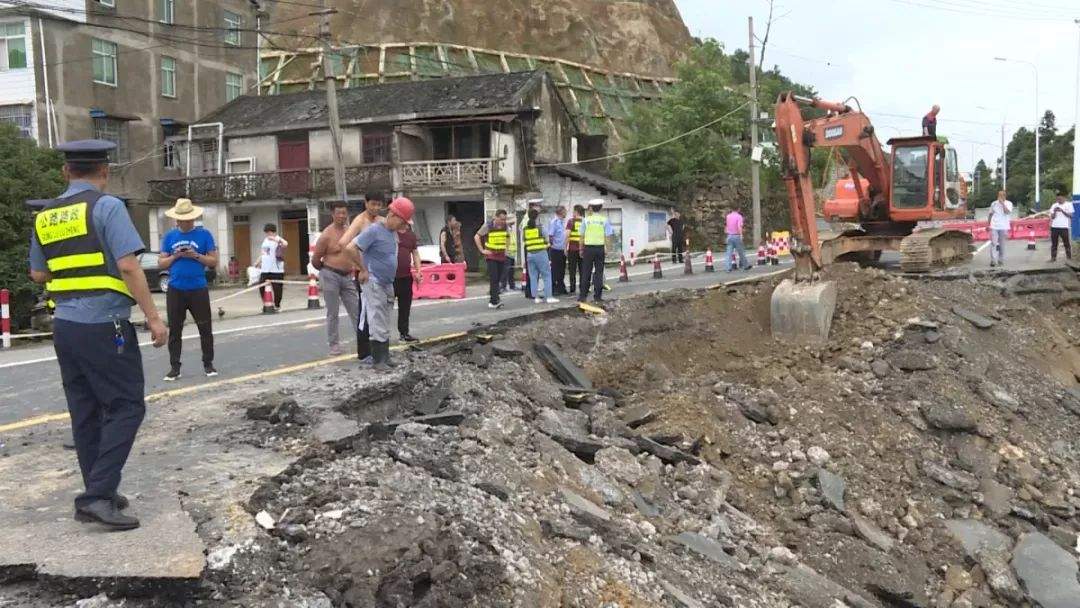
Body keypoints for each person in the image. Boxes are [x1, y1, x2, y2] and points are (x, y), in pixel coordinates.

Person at [28, 140, 168, 531]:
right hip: (105, 324)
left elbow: (38, 274)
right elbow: (128, 266)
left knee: (86, 411)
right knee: (126, 407)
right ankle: (95, 496)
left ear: (65, 172)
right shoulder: (107, 207)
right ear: (104, 172)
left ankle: (99, 492)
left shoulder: (45, 216)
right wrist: (154, 317)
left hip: (66, 327)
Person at [345, 197, 413, 371]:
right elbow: (350, 248)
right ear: (394, 215)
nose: (403, 226)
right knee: (376, 318)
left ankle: (385, 356)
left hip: (387, 282)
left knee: (384, 319)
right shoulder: (374, 230)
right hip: (374, 280)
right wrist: (362, 269)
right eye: (403, 222)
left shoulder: (392, 233)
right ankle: (378, 360)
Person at [159, 198, 218, 380]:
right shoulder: (169, 237)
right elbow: (161, 262)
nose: (185, 222)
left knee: (205, 328)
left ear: (193, 219)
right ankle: (174, 368)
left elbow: (213, 261)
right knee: (175, 330)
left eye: (188, 219)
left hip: (198, 287)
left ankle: (208, 364)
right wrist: (176, 256)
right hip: (176, 288)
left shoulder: (204, 235)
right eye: (181, 219)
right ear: (177, 220)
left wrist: (196, 256)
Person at [339, 192, 385, 362]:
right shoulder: (360, 221)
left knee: (379, 313)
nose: (376, 208)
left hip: (380, 275)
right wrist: (361, 267)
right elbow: (344, 244)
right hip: (365, 274)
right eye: (373, 204)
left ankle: (378, 349)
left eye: (379, 205)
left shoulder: (382, 221)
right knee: (365, 314)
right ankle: (364, 353)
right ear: (366, 203)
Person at [312, 201, 360, 356]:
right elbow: (315, 259)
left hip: (348, 276)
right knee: (333, 312)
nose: (341, 216)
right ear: (332, 214)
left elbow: (356, 252)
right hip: (330, 274)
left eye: (344, 213)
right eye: (338, 212)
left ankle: (363, 340)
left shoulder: (350, 231)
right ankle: (334, 345)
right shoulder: (326, 234)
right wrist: (326, 271)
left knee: (356, 310)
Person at [578, 199, 613, 303]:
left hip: (588, 249)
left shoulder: (586, 220)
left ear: (591, 208)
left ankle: (582, 296)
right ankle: (597, 297)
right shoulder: (604, 220)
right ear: (601, 208)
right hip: (600, 248)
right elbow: (608, 236)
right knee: (599, 273)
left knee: (586, 272)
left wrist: (581, 249)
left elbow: (582, 236)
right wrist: (608, 248)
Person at [475, 209, 510, 309]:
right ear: (496, 217)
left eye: (505, 219)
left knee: (498, 278)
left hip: (501, 256)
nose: (503, 221)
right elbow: (477, 236)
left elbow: (507, 237)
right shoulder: (488, 226)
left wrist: (506, 248)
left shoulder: (505, 226)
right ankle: (494, 301)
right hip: (491, 256)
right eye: (501, 219)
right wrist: (482, 250)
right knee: (494, 278)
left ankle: (494, 297)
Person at [394, 221, 423, 342]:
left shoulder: (411, 236)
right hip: (390, 277)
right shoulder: (391, 233)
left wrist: (418, 270)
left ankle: (404, 333)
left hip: (405, 276)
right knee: (383, 307)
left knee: (405, 307)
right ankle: (379, 336)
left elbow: (415, 253)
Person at [524, 207, 559, 304]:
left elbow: (525, 242)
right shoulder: (541, 228)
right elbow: (547, 241)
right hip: (541, 253)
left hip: (530, 254)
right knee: (546, 275)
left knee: (533, 276)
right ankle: (549, 297)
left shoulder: (525, 229)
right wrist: (547, 245)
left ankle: (536, 298)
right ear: (537, 217)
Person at [256, 223, 287, 309]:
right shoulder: (265, 240)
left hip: (276, 269)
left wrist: (274, 239)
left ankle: (277, 305)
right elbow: (263, 253)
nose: (267, 234)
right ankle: (267, 303)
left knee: (277, 288)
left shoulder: (277, 239)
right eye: (266, 233)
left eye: (268, 232)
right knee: (261, 286)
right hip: (265, 268)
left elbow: (285, 244)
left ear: (272, 232)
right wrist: (258, 262)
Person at [988, 190, 1013, 267]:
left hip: (1003, 226)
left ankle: (1000, 260)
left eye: (1002, 195)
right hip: (994, 226)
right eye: (999, 195)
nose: (1000, 197)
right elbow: (990, 214)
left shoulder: (1009, 203)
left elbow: (1007, 212)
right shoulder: (994, 203)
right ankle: (993, 260)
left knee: (1002, 244)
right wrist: (988, 224)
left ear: (1005, 196)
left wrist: (1002, 204)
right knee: (993, 243)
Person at [548, 206, 568, 295]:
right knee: (555, 270)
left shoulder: (562, 222)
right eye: (565, 212)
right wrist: (553, 245)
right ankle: (553, 288)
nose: (566, 213)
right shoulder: (554, 222)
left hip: (562, 249)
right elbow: (551, 236)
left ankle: (561, 287)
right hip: (556, 249)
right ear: (561, 212)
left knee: (562, 270)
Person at [1049, 192, 1074, 262]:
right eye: (1058, 199)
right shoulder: (1054, 205)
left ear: (1064, 198)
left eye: (1060, 199)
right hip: (1054, 227)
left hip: (1064, 227)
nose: (1059, 201)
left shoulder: (1069, 204)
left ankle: (1069, 258)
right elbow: (1052, 217)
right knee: (1054, 243)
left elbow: (1071, 216)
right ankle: (1053, 258)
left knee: (1066, 243)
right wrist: (1054, 212)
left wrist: (1062, 211)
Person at [565, 205, 584, 295]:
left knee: (572, 270)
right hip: (583, 249)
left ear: (576, 212)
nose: (572, 213)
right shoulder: (585, 221)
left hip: (572, 249)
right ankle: (582, 287)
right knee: (582, 269)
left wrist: (565, 247)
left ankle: (572, 288)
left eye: (573, 211)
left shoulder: (571, 221)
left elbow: (567, 235)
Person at [724, 206, 749, 271]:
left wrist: (727, 233)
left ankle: (728, 267)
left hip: (729, 235)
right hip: (736, 235)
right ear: (738, 209)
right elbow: (739, 226)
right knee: (741, 252)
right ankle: (745, 265)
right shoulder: (739, 216)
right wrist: (741, 235)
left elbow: (726, 225)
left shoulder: (728, 216)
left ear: (731, 209)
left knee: (729, 253)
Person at [504, 213, 519, 292]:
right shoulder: (506, 229)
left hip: (512, 252)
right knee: (506, 270)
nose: (514, 222)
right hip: (507, 253)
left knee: (511, 271)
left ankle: (512, 285)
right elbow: (506, 240)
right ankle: (503, 286)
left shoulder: (510, 228)